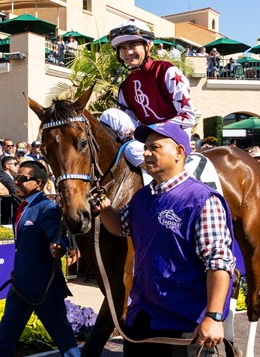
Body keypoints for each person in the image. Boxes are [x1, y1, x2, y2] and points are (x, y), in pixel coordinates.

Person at [94, 122, 235, 356]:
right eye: (145, 147)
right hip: (142, 319)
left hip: (185, 325)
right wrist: (106, 210)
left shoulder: (202, 200)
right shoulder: (142, 198)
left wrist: (213, 316)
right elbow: (120, 227)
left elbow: (218, 263)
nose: (146, 153)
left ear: (179, 152)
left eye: (155, 147)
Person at [0, 161, 80, 357]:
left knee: (66, 343)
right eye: (16, 178)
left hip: (44, 290)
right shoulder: (23, 206)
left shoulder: (47, 208)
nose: (17, 182)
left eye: (22, 179)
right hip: (20, 288)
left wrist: (58, 246)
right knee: (2, 341)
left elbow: (56, 234)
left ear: (37, 183)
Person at [100, 19, 196, 167]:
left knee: (132, 150)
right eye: (123, 48)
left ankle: (161, 185)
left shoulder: (167, 71)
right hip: (146, 139)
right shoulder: (125, 87)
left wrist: (150, 129)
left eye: (133, 45)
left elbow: (188, 117)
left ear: (148, 45)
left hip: (175, 136)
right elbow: (126, 124)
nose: (128, 52)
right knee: (109, 115)